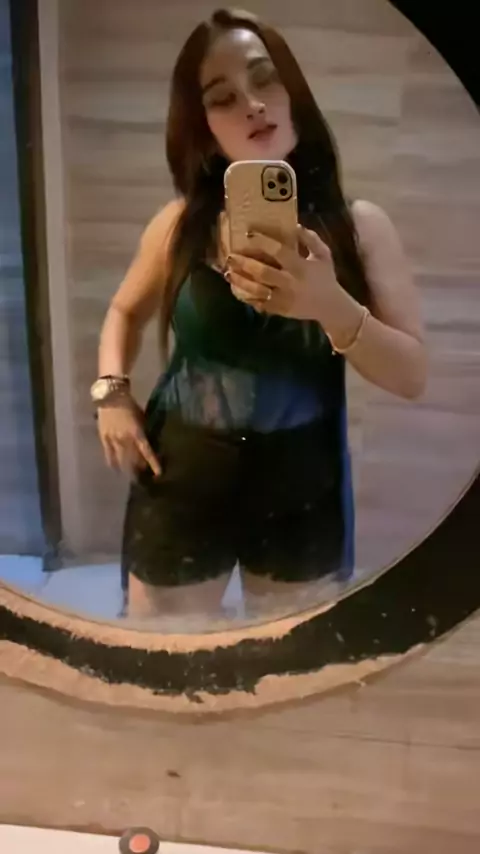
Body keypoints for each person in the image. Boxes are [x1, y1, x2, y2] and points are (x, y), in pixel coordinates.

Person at [92, 8, 426, 619]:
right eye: (222, 97)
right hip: (183, 473)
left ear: (294, 91)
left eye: (265, 79)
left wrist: (329, 304)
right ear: (204, 128)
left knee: (284, 665)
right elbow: (123, 311)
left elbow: (411, 376)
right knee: (167, 662)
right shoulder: (180, 226)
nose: (251, 104)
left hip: (303, 488)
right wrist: (112, 393)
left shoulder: (360, 229)